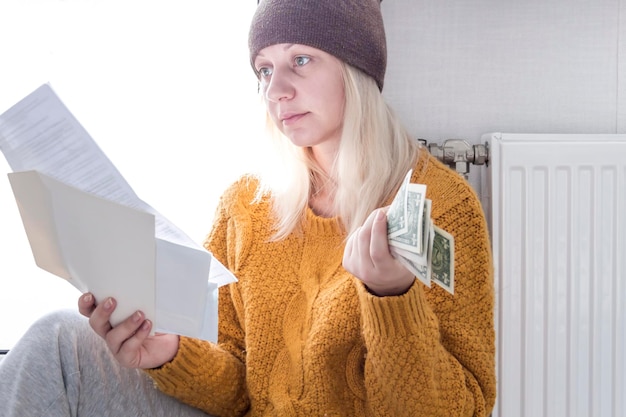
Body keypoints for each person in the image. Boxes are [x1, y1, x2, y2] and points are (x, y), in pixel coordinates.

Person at [0, 0, 496, 416]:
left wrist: (393, 298)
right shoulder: (246, 205)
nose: (276, 90)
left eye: (301, 60)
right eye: (264, 69)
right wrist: (167, 352)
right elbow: (237, 382)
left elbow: (454, 409)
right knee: (58, 341)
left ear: (357, 66)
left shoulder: (441, 206)